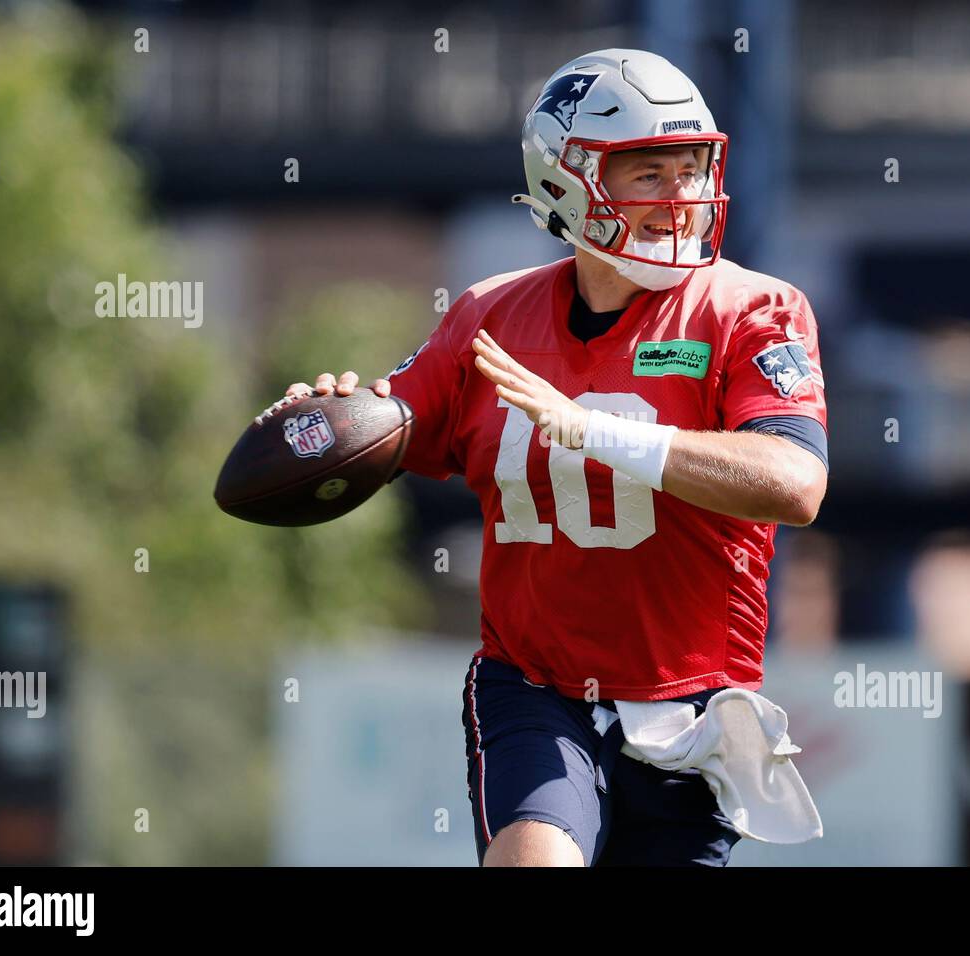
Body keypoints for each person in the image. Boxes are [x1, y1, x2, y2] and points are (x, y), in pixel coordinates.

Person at [286, 49, 829, 867]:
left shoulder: (753, 310)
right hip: (536, 689)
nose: (679, 198)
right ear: (566, 184)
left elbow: (794, 484)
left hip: (691, 707)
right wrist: (324, 424)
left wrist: (596, 431)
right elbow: (391, 428)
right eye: (647, 173)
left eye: (691, 169)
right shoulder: (488, 318)